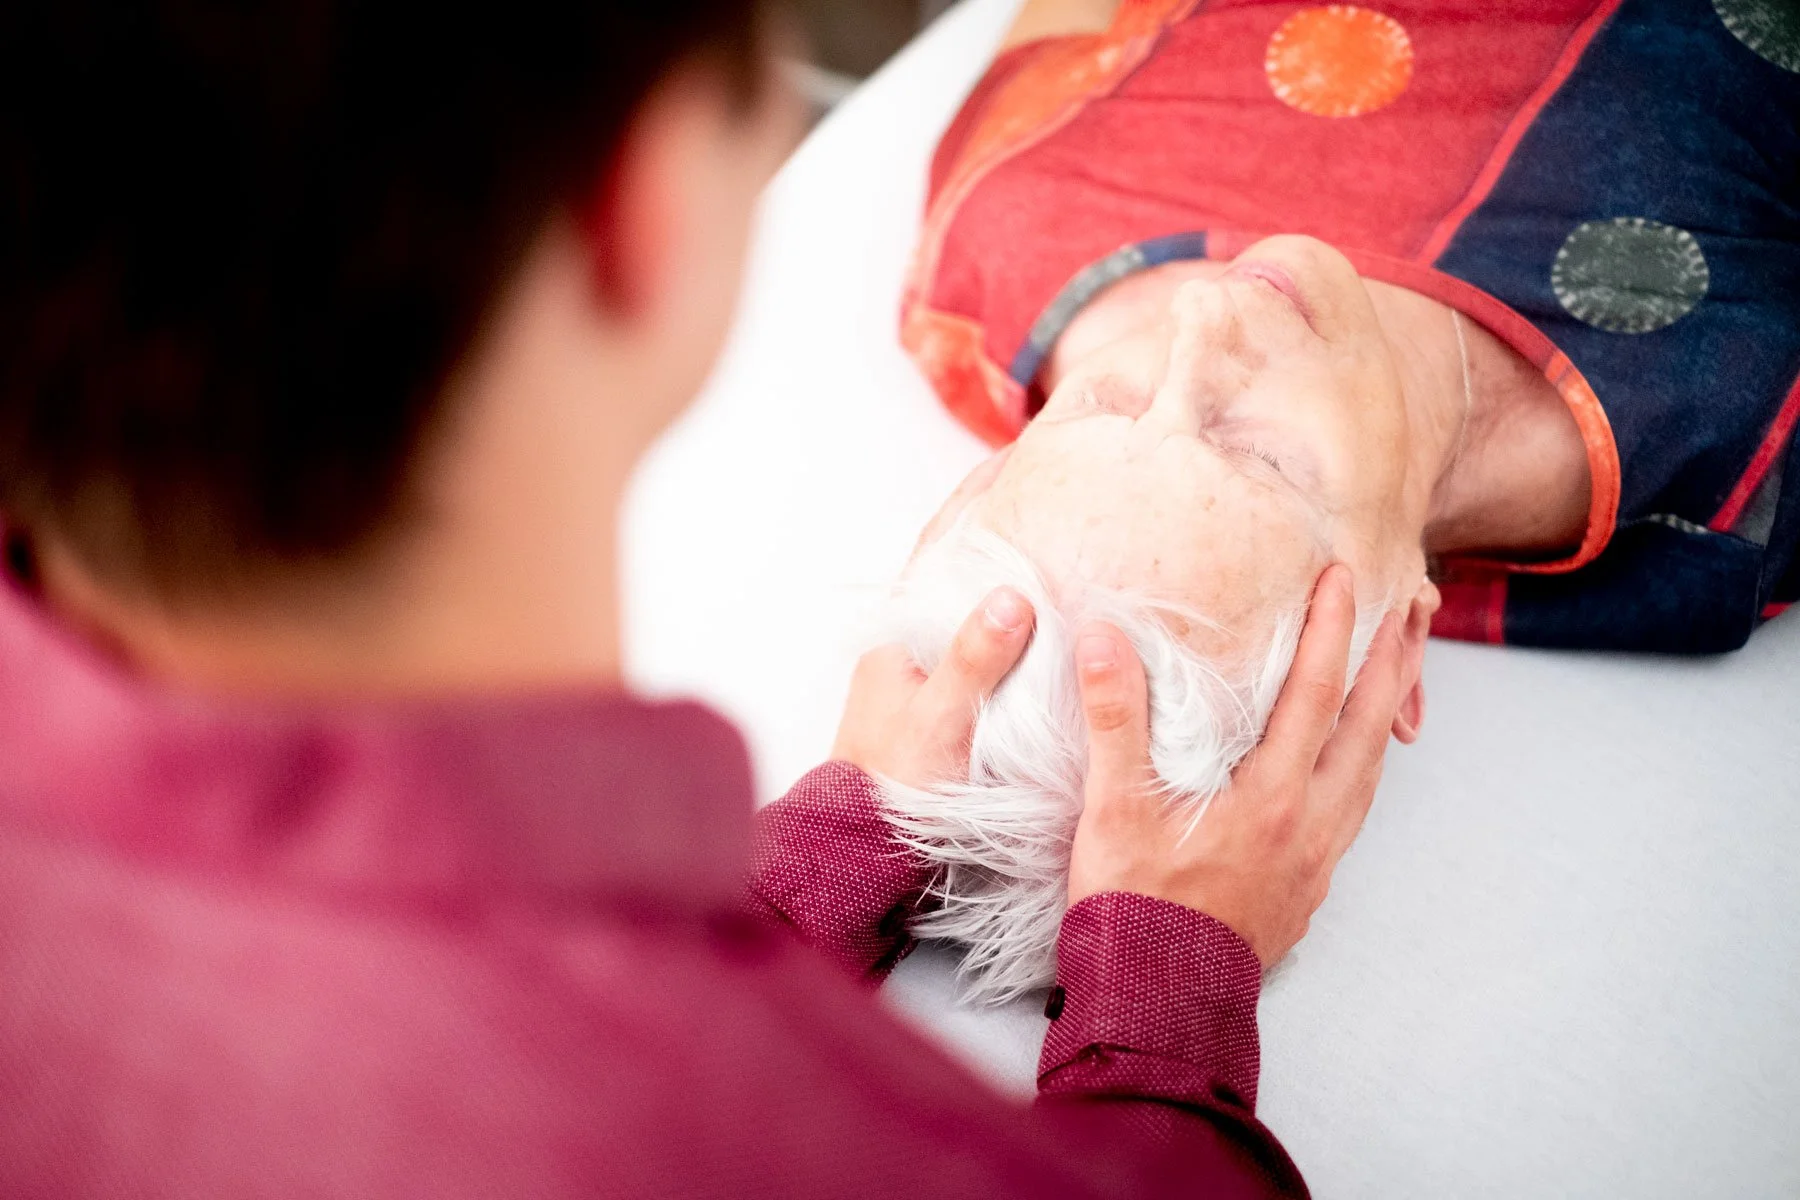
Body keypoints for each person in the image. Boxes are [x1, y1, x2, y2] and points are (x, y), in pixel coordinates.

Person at [0, 2, 1410, 1195]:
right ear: (644, 208)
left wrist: (797, 887)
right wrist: (1164, 1018)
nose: (1193, 340)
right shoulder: (765, 1141)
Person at [904, 0, 1800, 657]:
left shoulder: (1002, 231)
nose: (1208, 313)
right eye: (1255, 456)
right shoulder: (1740, 450)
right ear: (1399, 624)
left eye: (1108, 403)